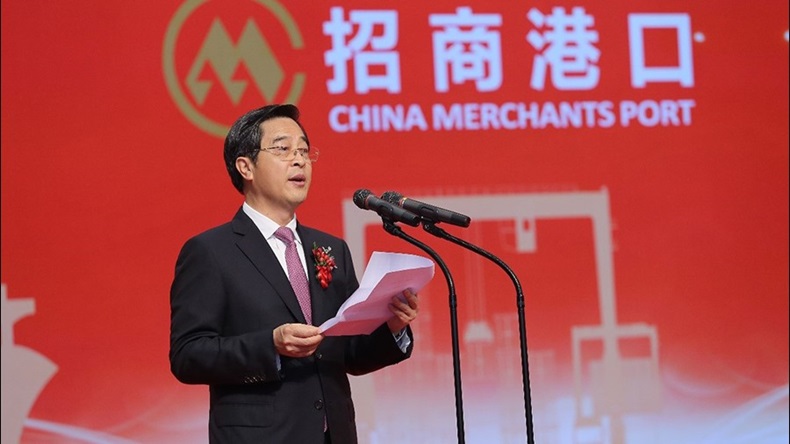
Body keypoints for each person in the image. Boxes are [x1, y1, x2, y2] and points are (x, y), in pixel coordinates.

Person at [169, 104, 419, 444]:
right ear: (246, 167)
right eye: (283, 149)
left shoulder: (331, 249)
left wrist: (393, 328)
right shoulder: (211, 251)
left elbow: (349, 353)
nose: (299, 160)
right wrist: (271, 344)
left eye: (304, 151)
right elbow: (188, 356)